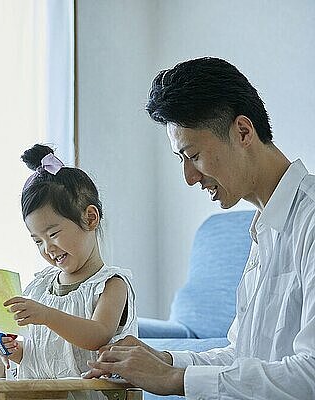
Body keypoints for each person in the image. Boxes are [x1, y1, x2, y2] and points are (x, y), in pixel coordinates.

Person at [83, 57, 315, 399]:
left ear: (243, 131)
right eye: (182, 160)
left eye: (193, 155)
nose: (190, 178)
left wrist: (176, 380)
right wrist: (163, 360)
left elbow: (311, 373)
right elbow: (239, 356)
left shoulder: (309, 221)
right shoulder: (264, 232)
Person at [0, 144, 138, 387]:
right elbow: (45, 354)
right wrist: (16, 351)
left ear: (90, 218)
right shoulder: (40, 287)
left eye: (53, 234)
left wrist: (45, 315)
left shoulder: (111, 285)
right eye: (37, 241)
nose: (47, 248)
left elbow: (97, 335)